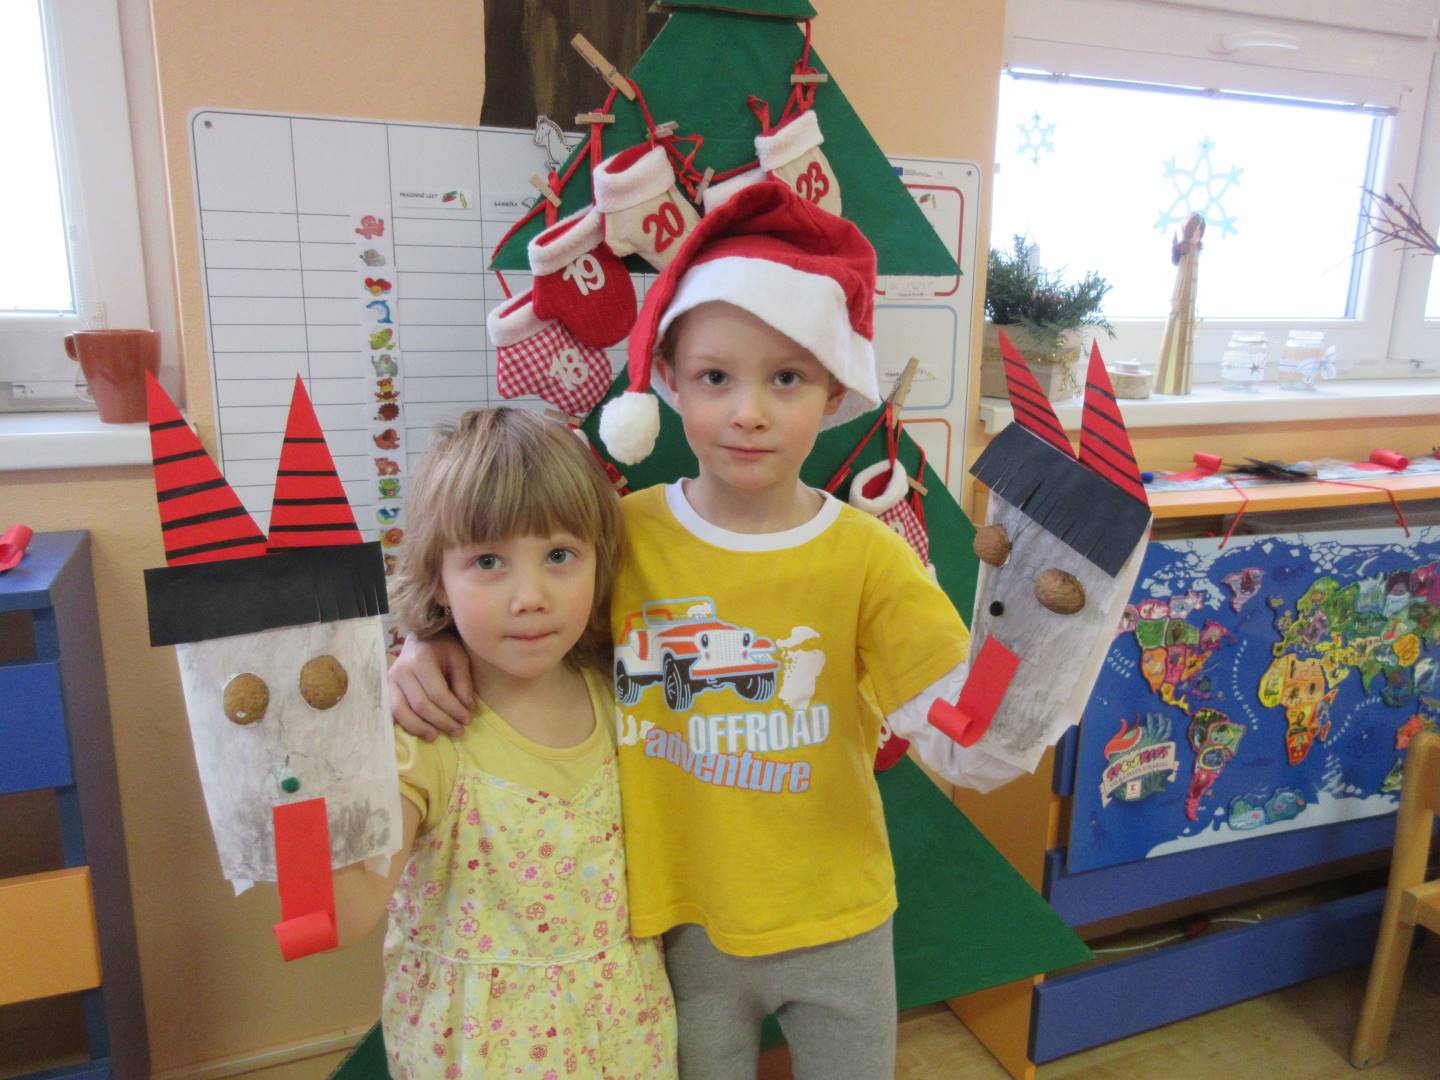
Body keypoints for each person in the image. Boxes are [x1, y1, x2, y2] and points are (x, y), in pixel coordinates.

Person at [390, 182, 1022, 1079]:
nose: (748, 412)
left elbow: (967, 728)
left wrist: (1035, 645)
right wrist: (430, 640)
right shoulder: (620, 535)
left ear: (832, 389)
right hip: (677, 926)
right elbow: (517, 598)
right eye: (715, 377)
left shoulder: (868, 556)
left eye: (786, 378)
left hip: (838, 917)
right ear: (668, 383)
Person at [332, 408, 676, 1078]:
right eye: (488, 561)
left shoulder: (621, 694)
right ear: (438, 578)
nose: (530, 596)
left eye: (559, 556)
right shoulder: (423, 733)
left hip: (628, 1044)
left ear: (599, 562)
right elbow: (346, 913)